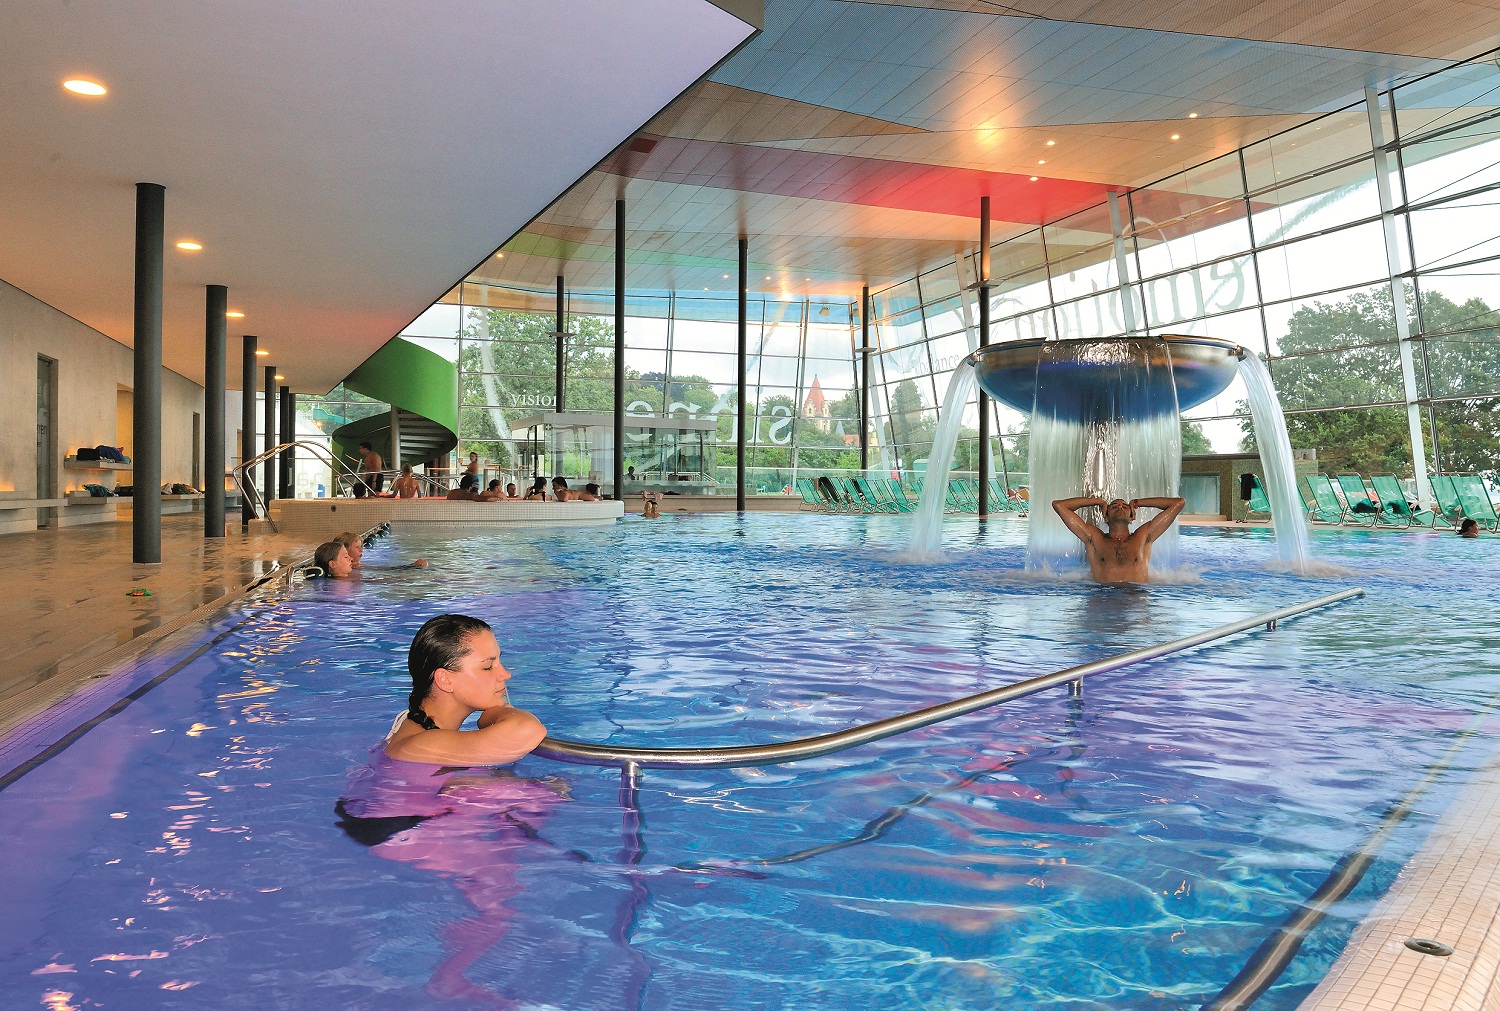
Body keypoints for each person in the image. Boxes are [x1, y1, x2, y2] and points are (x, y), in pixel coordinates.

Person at [383, 614, 547, 766]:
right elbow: (527, 730)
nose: (505, 674)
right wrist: (494, 715)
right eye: (488, 667)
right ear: (445, 680)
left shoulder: (419, 731)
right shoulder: (421, 744)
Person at [1052, 495, 1186, 584]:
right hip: (1102, 597)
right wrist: (1098, 501)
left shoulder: (1144, 536)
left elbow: (1178, 503)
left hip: (1135, 598)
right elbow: (1059, 505)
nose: (1120, 507)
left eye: (1125, 506)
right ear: (1106, 517)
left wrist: (1138, 503)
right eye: (1114, 506)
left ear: (1131, 517)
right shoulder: (1093, 537)